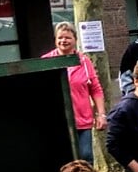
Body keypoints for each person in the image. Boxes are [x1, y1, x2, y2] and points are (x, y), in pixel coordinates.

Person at [44, 22, 107, 161]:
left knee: (86, 157)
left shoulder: (84, 62)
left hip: (82, 120)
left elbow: (96, 89)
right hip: (57, 122)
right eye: (60, 37)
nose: (63, 41)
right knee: (62, 159)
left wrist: (101, 114)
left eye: (67, 37)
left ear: (75, 40)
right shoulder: (46, 62)